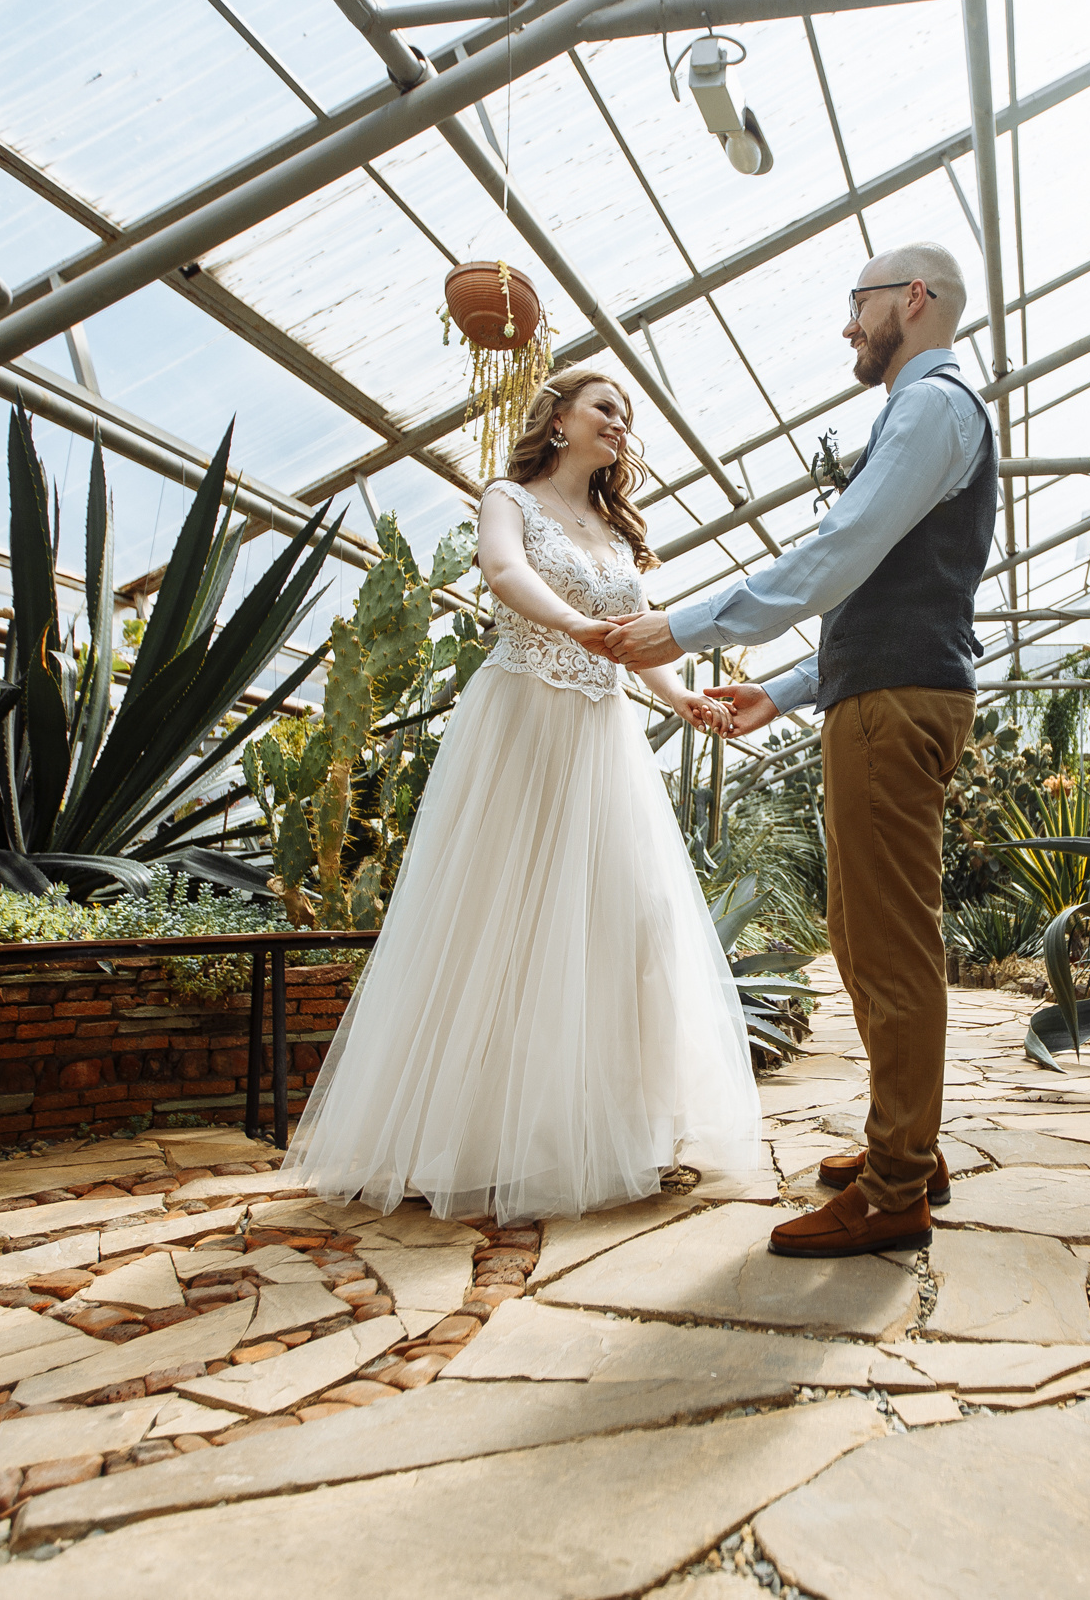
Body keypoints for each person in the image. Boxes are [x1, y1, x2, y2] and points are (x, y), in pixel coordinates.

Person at [286, 368, 762, 1224]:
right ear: (560, 418)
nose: (621, 423)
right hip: (521, 723)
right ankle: (471, 1139)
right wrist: (576, 625)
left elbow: (637, 640)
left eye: (627, 415)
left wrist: (682, 698)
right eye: (607, 407)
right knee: (498, 916)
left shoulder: (616, 535)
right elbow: (504, 573)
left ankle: (598, 1127)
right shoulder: (508, 498)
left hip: (603, 741)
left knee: (627, 918)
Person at [603, 242, 996, 1258]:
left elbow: (837, 553)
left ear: (914, 298)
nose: (847, 324)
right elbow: (881, 582)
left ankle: (895, 1186)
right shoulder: (923, 410)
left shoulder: (933, 404)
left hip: (892, 705)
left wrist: (682, 628)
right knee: (861, 936)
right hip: (878, 693)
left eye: (858, 302)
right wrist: (780, 691)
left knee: (889, 944)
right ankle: (905, 1144)